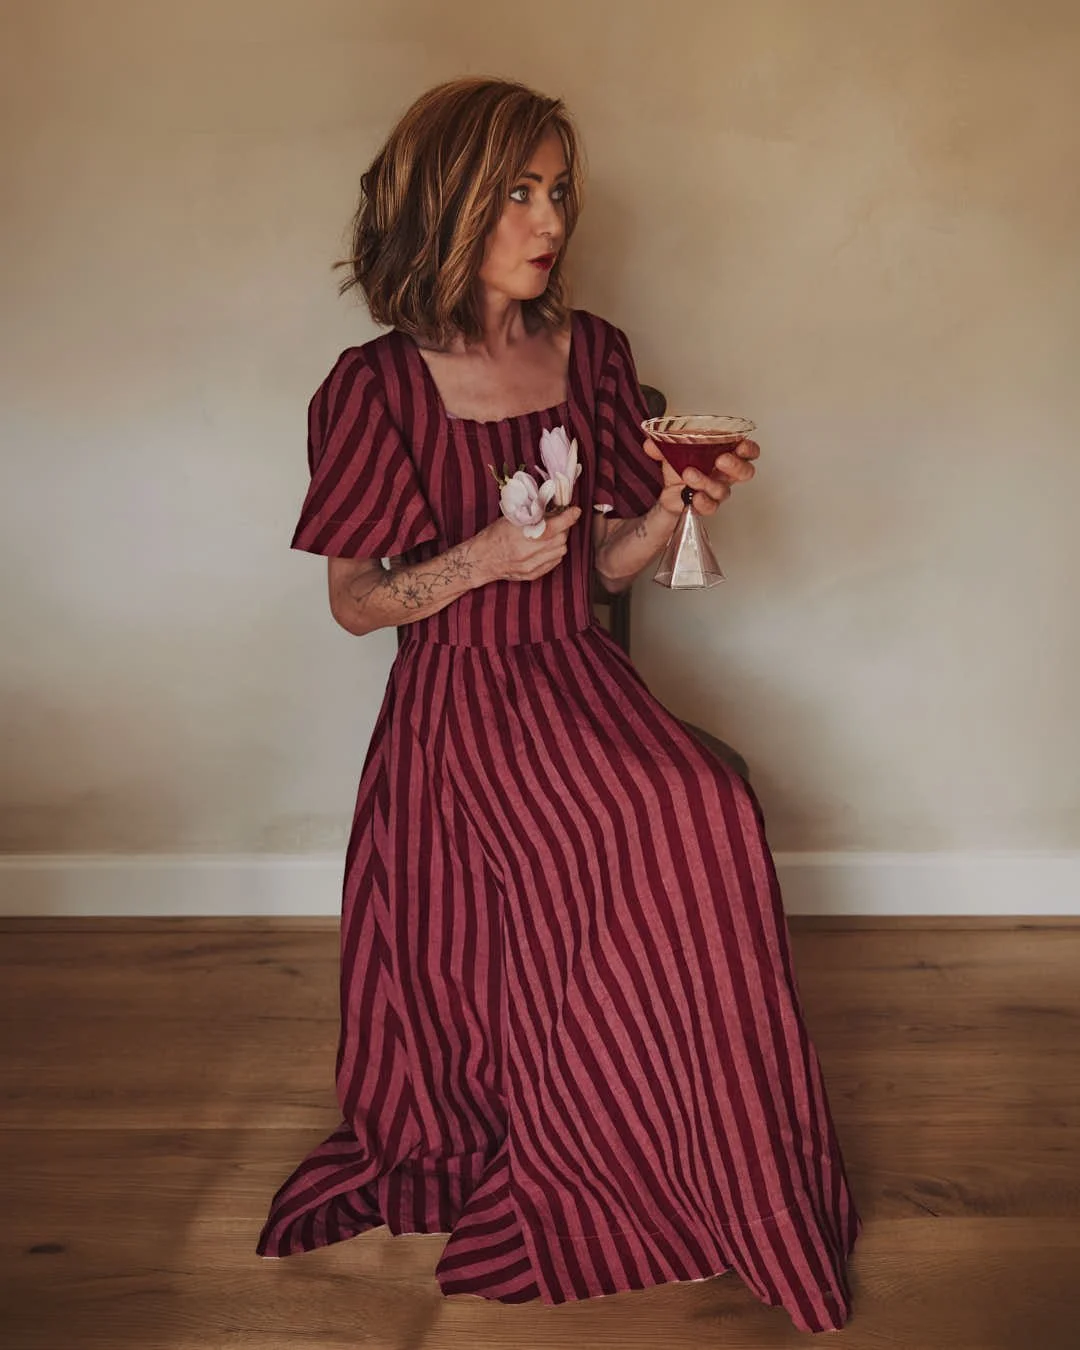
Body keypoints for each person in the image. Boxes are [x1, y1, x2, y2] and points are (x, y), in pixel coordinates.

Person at [257, 77, 860, 1335]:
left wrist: (668, 511)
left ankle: (703, 1153)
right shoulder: (372, 386)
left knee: (705, 809)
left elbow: (598, 571)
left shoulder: (597, 355)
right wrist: (479, 558)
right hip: (457, 710)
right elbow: (357, 604)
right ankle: (618, 1125)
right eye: (520, 192)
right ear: (450, 205)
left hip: (575, 679)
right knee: (678, 814)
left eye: (558, 191)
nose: (549, 220)